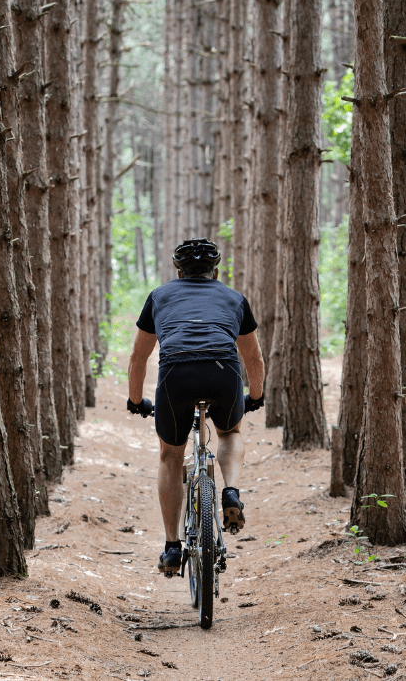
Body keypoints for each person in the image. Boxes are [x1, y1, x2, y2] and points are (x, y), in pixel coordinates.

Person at [126, 238, 265, 575]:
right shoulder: (234, 298)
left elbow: (139, 356)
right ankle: (230, 493)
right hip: (223, 370)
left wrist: (135, 400)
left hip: (177, 373)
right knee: (230, 432)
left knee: (170, 455)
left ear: (178, 270)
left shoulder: (159, 296)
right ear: (215, 270)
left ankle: (172, 547)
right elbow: (253, 357)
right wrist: (256, 396)